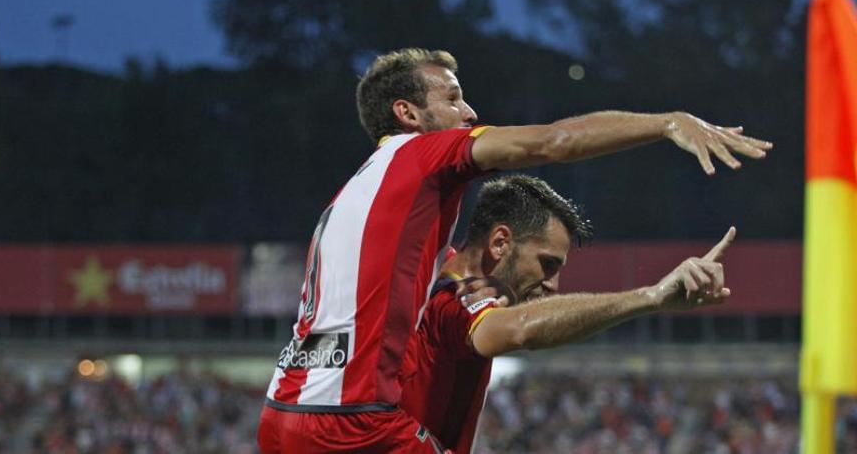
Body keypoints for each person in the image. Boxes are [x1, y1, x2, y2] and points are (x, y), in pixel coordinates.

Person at [258, 48, 769, 453]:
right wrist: (666, 122)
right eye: (454, 98)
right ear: (408, 113)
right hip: (348, 423)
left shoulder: (353, 192)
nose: (471, 112)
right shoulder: (422, 156)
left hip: (283, 413)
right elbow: (553, 142)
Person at [399, 174, 736, 453]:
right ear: (500, 242)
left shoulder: (436, 271)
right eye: (547, 265)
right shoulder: (455, 299)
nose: (553, 285)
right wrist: (652, 297)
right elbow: (519, 331)